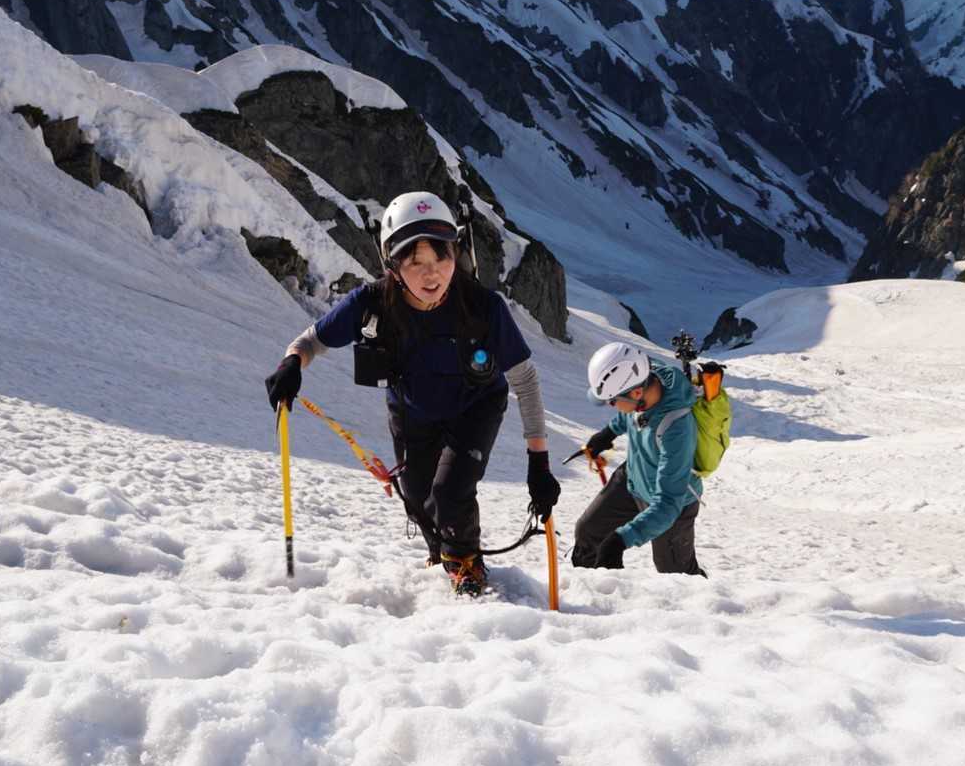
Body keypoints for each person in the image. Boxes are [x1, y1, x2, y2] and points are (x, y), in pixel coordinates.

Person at [264, 191, 559, 596]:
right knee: (420, 502)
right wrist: (292, 364)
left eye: (442, 257)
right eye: (415, 261)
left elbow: (524, 379)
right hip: (412, 412)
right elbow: (312, 340)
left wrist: (539, 463)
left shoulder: (482, 307)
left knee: (449, 492)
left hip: (476, 406)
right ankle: (445, 555)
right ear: (392, 264)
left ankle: (467, 566)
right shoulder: (372, 304)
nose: (432, 273)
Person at [572, 342, 705, 576]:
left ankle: (703, 598)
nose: (611, 406)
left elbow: (668, 503)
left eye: (612, 401)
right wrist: (608, 433)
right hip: (633, 479)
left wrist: (622, 539)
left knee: (676, 575)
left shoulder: (677, 427)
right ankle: (594, 591)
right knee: (588, 533)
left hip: (671, 504)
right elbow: (632, 414)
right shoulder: (645, 378)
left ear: (636, 393)